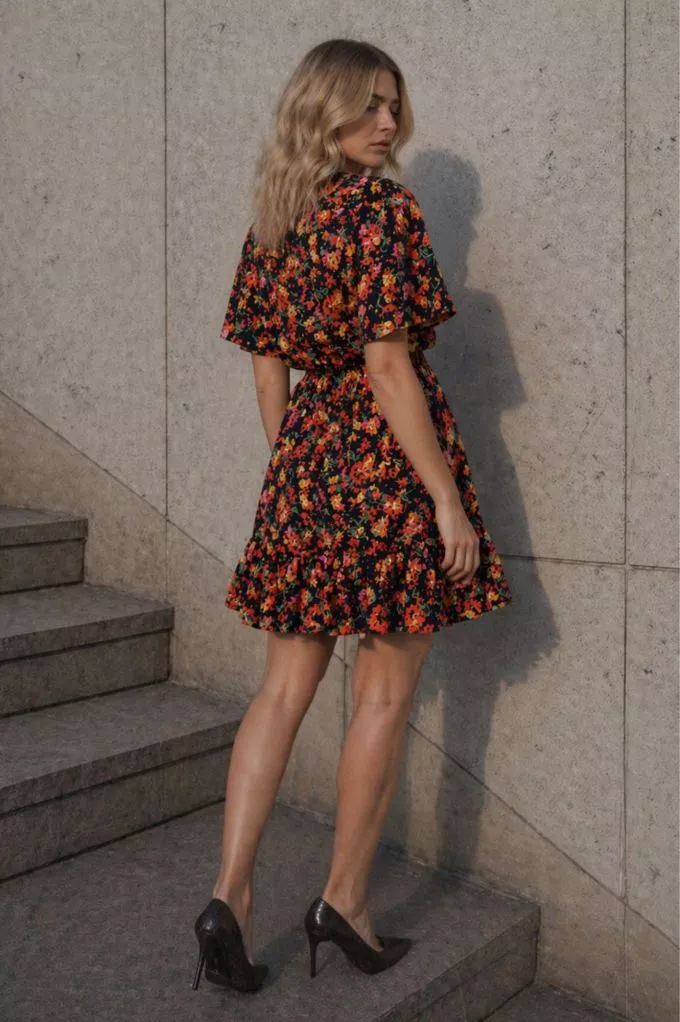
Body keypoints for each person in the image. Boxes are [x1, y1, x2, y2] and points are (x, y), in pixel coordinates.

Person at [191, 38, 513, 994]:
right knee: (380, 697)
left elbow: (267, 366)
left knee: (281, 692)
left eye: (393, 104)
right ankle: (344, 903)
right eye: (369, 103)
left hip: (304, 467)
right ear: (322, 107)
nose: (387, 121)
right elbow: (387, 364)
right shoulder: (381, 210)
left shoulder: (275, 218)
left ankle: (228, 898)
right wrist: (445, 498)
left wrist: (297, 471)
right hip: (387, 471)